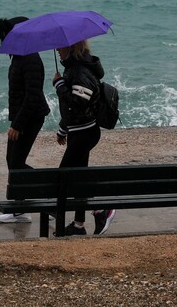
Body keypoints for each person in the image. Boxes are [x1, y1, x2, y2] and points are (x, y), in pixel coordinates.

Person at [53, 40, 115, 235]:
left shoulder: (80, 70)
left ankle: (101, 209)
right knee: (78, 175)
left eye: (60, 46)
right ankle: (79, 225)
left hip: (86, 132)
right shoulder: (73, 68)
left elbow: (79, 103)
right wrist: (64, 129)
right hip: (78, 131)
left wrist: (60, 85)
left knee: (64, 175)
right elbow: (71, 109)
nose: (56, 49)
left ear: (71, 47)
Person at [0, 16, 51, 224]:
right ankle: (23, 206)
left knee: (16, 162)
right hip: (24, 116)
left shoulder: (30, 59)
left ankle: (49, 194)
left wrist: (17, 124)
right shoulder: (20, 56)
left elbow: (32, 95)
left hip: (30, 117)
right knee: (13, 161)